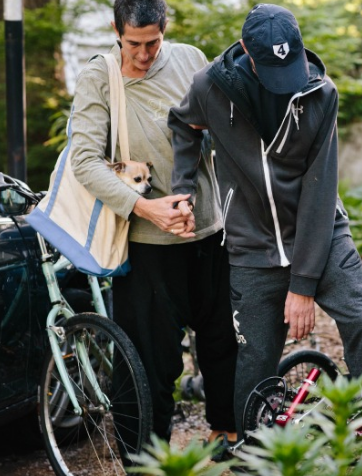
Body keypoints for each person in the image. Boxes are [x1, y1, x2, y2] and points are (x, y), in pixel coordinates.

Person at [168, 4, 362, 475]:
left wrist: (303, 284)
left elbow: (321, 193)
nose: (286, 78)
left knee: (361, 319)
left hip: (321, 235)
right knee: (254, 357)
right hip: (251, 246)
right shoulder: (210, 87)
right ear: (249, 57)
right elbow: (183, 125)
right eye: (273, 69)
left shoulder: (320, 92)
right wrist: (182, 188)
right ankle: (252, 460)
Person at [68, 0, 237, 451]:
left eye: (152, 42)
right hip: (146, 245)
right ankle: (145, 459)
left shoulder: (189, 59)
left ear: (166, 28)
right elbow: (85, 161)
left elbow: (215, 132)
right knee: (150, 364)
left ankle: (230, 439)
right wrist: (148, 209)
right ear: (116, 31)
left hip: (209, 231)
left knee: (223, 344)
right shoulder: (99, 77)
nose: (143, 54)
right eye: (133, 44)